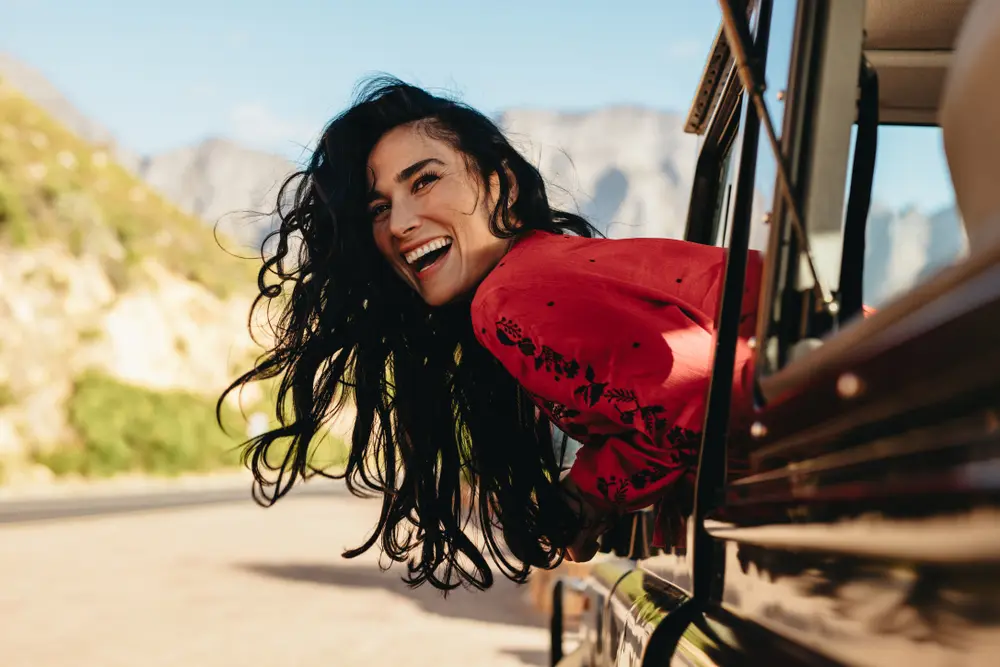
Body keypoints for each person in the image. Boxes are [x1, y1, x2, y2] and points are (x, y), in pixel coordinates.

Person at [219, 76, 763, 592]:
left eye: (425, 180)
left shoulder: (510, 299)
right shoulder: (547, 272)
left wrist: (587, 495)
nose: (401, 223)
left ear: (499, 185)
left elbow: (711, 396)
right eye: (379, 209)